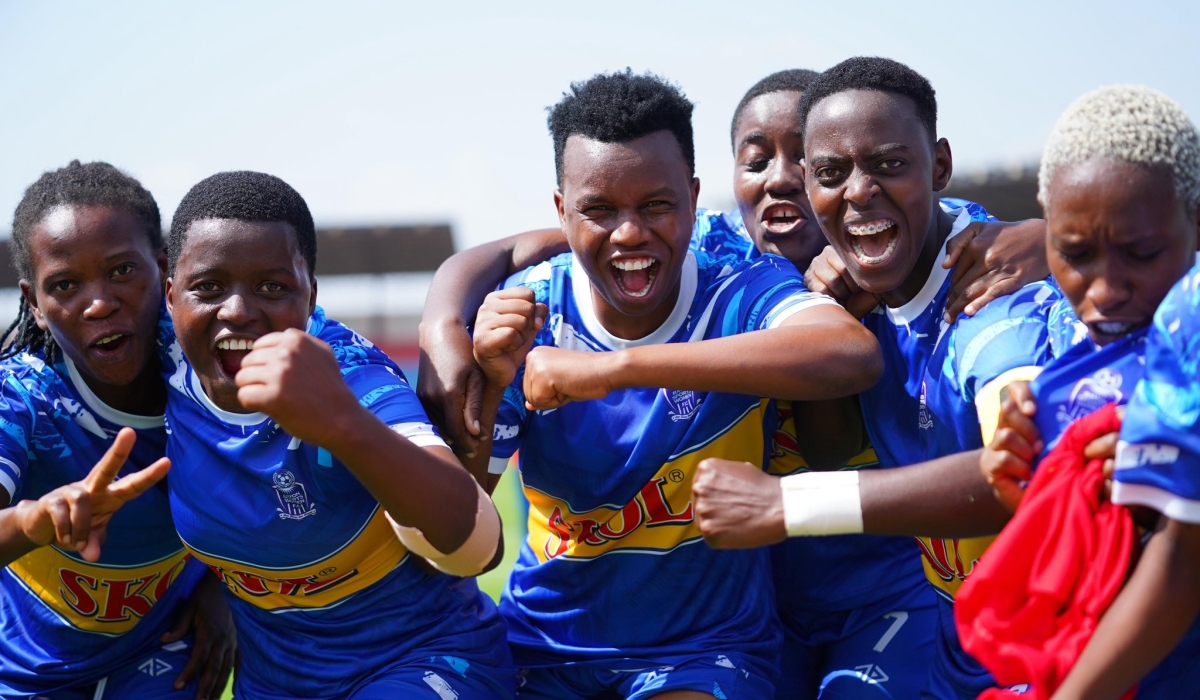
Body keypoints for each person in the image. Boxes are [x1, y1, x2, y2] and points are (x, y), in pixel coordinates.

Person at [420, 67, 1048, 700]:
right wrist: (443, 319)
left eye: (805, 161)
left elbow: (864, 385)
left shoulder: (962, 283)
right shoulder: (697, 255)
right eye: (759, 159)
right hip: (745, 614)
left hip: (878, 600)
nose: (782, 177)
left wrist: (1053, 239)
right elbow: (584, 227)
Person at [467, 69, 883, 700]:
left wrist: (617, 369)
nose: (630, 233)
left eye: (655, 205)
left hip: (704, 652)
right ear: (560, 210)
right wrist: (492, 381)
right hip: (543, 649)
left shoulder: (739, 286)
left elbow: (850, 354)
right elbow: (461, 530)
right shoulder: (528, 314)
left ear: (693, 198)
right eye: (599, 210)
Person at [691, 57, 1063, 700]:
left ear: (939, 166)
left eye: (888, 164)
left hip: (1055, 641)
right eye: (832, 174)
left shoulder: (993, 305)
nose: (859, 191)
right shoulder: (850, 290)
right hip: (966, 638)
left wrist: (785, 505)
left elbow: (1027, 479)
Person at [161, 171, 514, 699]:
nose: (237, 310)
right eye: (208, 287)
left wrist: (345, 427)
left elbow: (479, 551)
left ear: (311, 295)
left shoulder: (354, 377)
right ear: (169, 297)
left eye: (272, 287)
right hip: (277, 685)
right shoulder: (152, 363)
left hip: (422, 663)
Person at [978, 85, 1200, 700]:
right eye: (1074, 254)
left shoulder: (1191, 318)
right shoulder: (1070, 367)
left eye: (1140, 253)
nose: (1104, 289)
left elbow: (1183, 562)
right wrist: (1029, 487)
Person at [0, 161, 235, 700]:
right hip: (24, 676)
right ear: (34, 304)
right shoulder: (22, 397)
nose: (100, 301)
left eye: (122, 271)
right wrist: (36, 519)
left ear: (163, 269)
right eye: (64, 285)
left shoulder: (210, 363)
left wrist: (223, 588)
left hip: (162, 652)